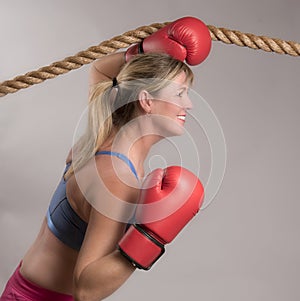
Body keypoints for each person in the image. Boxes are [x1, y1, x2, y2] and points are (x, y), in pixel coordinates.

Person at [0, 16, 211, 301]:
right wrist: (151, 237)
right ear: (147, 101)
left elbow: (100, 70)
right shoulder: (115, 179)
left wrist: (143, 52)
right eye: (180, 93)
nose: (189, 104)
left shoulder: (105, 132)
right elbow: (86, 289)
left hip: (23, 289)